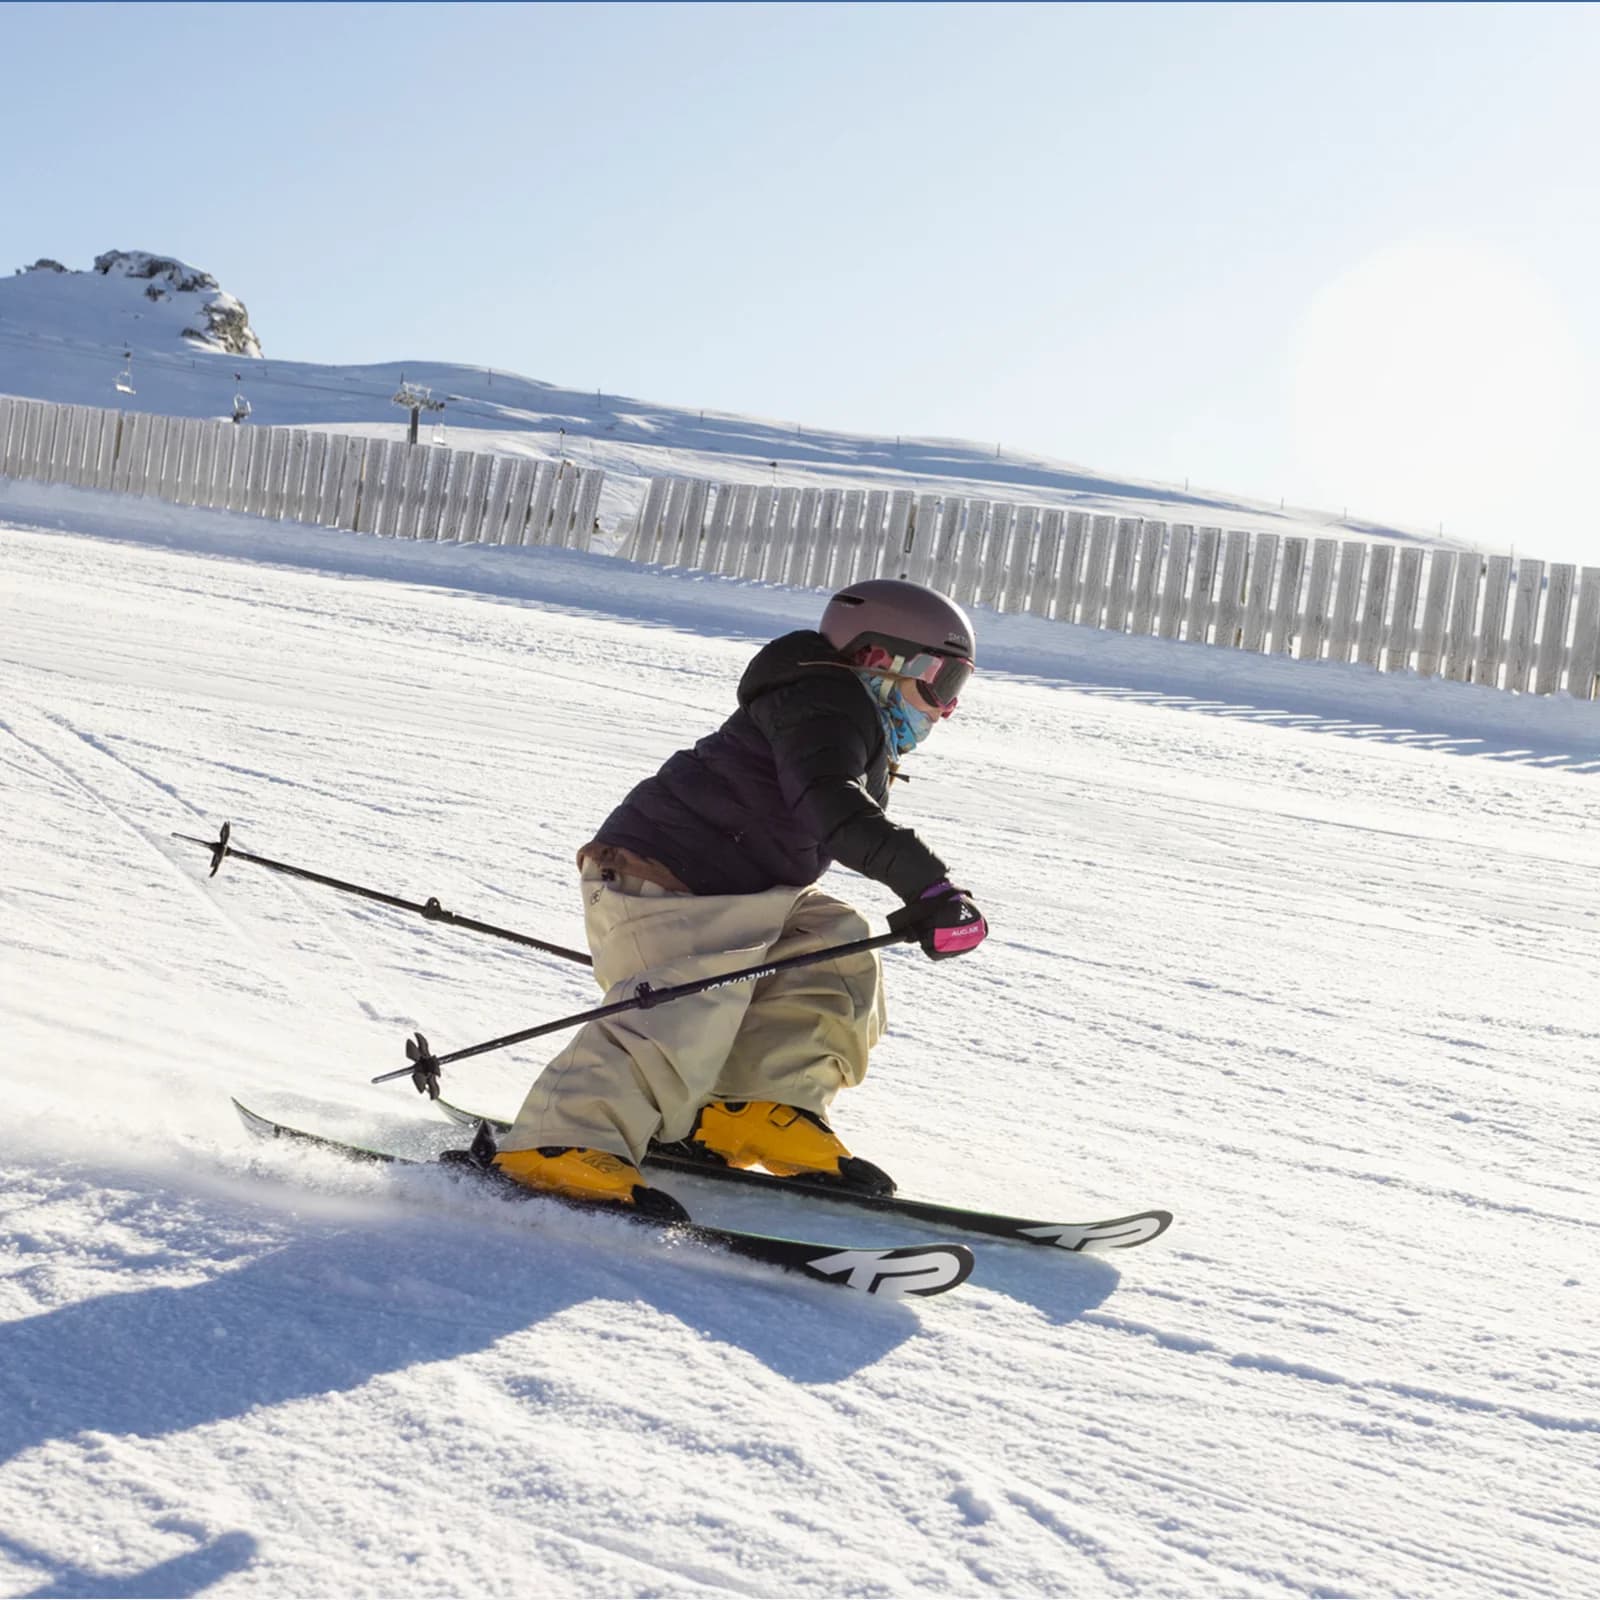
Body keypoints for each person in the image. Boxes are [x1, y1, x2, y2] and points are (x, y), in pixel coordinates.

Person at [489, 577, 989, 1218]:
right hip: (665, 877)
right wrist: (928, 887)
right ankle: (558, 1144)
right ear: (877, 658)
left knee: (834, 942)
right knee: (684, 1003)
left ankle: (754, 1107)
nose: (946, 708)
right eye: (944, 683)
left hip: (735, 891)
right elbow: (830, 803)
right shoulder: (821, 698)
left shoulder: (841, 716)